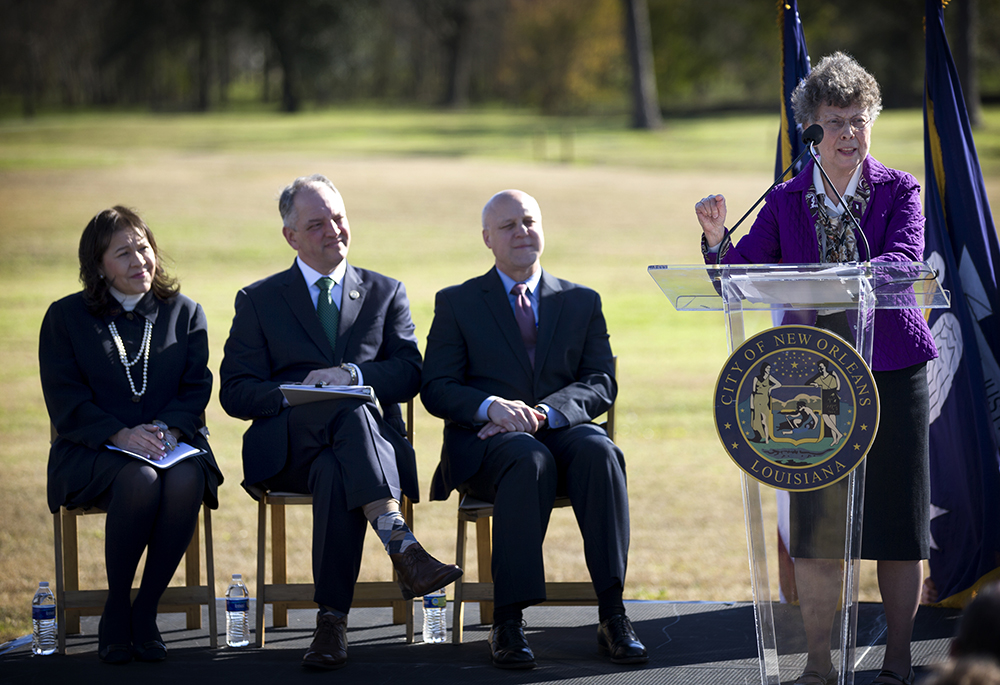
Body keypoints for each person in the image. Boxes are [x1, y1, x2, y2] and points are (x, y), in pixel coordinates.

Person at [694, 52, 938, 685]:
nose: (850, 134)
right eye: (835, 122)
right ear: (811, 129)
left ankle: (900, 658)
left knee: (897, 524)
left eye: (859, 120)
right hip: (809, 375)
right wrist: (718, 241)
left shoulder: (898, 189)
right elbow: (738, 277)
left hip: (891, 368)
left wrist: (841, 277)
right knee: (817, 528)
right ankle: (819, 664)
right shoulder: (784, 198)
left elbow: (904, 259)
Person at [219, 174, 461, 671]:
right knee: (342, 407)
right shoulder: (259, 299)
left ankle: (331, 623)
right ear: (290, 235)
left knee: (339, 457)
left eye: (338, 217)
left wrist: (350, 374)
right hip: (287, 450)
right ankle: (401, 542)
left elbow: (411, 372)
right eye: (316, 223)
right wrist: (298, 394)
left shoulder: (384, 291)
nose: (333, 230)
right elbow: (235, 392)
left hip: (366, 452)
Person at [421, 189, 647, 669]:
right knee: (528, 458)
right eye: (508, 226)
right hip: (488, 448)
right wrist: (490, 408)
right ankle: (507, 621)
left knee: (601, 452)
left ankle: (613, 614)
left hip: (561, 432)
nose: (522, 232)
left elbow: (601, 381)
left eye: (529, 221)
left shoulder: (581, 301)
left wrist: (544, 413)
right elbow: (436, 387)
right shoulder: (458, 303)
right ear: (487, 238)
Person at [39, 206, 224, 665]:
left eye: (143, 247)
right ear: (98, 267)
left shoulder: (185, 313)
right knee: (140, 480)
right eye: (123, 253)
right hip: (91, 448)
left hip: (171, 443)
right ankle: (117, 607)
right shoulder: (65, 318)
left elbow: (196, 387)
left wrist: (167, 428)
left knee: (184, 481)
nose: (139, 259)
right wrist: (119, 435)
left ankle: (146, 610)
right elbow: (65, 399)